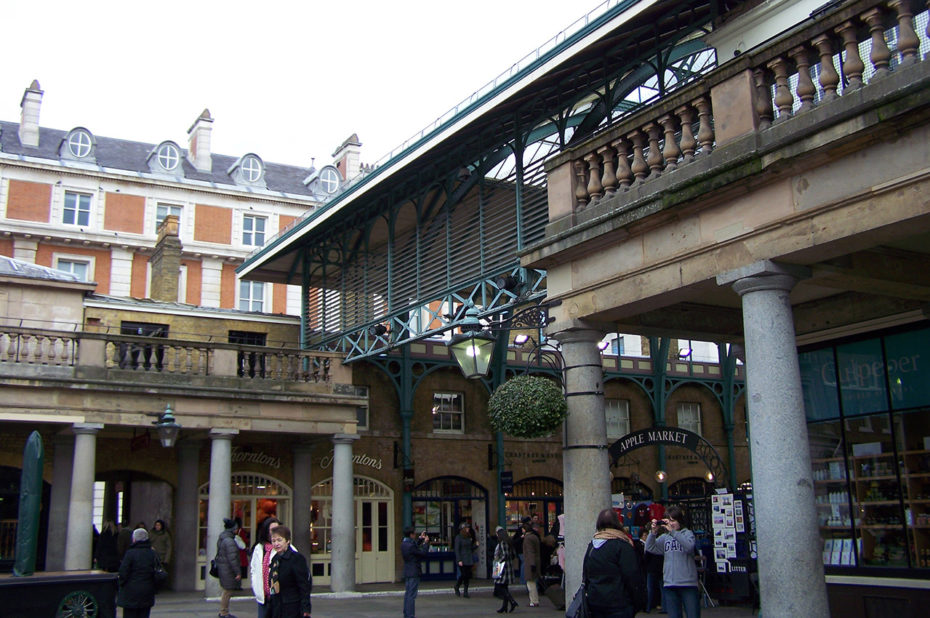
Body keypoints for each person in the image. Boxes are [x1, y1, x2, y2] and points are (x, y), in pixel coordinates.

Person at [583, 508, 645, 618]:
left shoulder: (592, 546)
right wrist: (638, 601)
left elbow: (586, 574)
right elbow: (632, 576)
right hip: (619, 603)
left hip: (595, 602)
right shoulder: (622, 545)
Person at [645, 505, 699, 618]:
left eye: (673, 520)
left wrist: (674, 533)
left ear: (680, 520)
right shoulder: (665, 537)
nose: (670, 524)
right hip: (670, 583)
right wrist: (653, 532)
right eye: (668, 521)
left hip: (687, 584)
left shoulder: (687, 534)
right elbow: (650, 548)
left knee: (693, 614)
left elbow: (689, 547)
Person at [267, 525, 312, 618]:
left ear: (287, 541)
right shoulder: (275, 559)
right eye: (273, 541)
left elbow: (304, 585)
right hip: (276, 606)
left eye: (279, 540)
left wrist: (305, 608)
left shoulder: (296, 558)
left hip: (292, 606)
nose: (276, 544)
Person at [117, 528, 158, 618]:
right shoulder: (152, 553)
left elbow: (123, 572)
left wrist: (121, 584)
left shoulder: (130, 553)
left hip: (131, 591)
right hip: (147, 590)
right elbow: (158, 572)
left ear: (134, 539)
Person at [250, 517, 282, 618]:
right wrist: (256, 587)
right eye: (272, 530)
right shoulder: (259, 548)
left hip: (280, 598)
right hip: (263, 598)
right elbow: (254, 569)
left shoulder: (286, 548)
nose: (275, 533)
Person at [215, 517, 242, 618]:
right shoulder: (229, 541)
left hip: (224, 568)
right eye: (236, 528)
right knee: (227, 591)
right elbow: (233, 558)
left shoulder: (222, 538)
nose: (237, 530)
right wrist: (237, 572)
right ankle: (224, 612)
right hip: (228, 570)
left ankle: (224, 611)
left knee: (226, 591)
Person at [401, 526, 430, 618]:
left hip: (407, 571)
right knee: (411, 595)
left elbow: (414, 547)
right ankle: (410, 615)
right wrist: (426, 543)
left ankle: (406, 614)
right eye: (414, 533)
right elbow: (422, 553)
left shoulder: (404, 543)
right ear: (411, 534)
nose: (415, 535)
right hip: (414, 571)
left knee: (408, 594)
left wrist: (420, 539)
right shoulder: (410, 546)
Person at [492, 525, 518, 614]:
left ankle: (512, 601)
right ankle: (504, 606)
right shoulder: (509, 541)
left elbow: (505, 555)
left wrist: (498, 561)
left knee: (500, 586)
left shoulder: (503, 543)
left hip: (503, 567)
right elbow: (513, 554)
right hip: (508, 566)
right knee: (505, 586)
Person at [642, 528, 665, 613]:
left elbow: (646, 556)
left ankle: (648, 607)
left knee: (650, 588)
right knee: (663, 588)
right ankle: (664, 607)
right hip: (661, 567)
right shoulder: (663, 542)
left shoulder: (651, 544)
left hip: (651, 568)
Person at [521, 517, 541, 607]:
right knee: (533, 582)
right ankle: (535, 599)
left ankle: (534, 600)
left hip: (530, 562)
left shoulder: (527, 539)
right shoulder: (534, 537)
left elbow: (530, 552)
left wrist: (532, 564)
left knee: (530, 583)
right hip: (536, 561)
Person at [453, 521, 475, 598]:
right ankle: (457, 586)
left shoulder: (469, 537)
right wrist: (459, 560)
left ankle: (465, 591)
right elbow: (457, 549)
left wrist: (475, 546)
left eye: (468, 528)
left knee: (467, 576)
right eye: (466, 528)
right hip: (462, 559)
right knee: (463, 574)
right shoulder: (458, 537)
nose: (468, 529)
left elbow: (470, 548)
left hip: (469, 559)